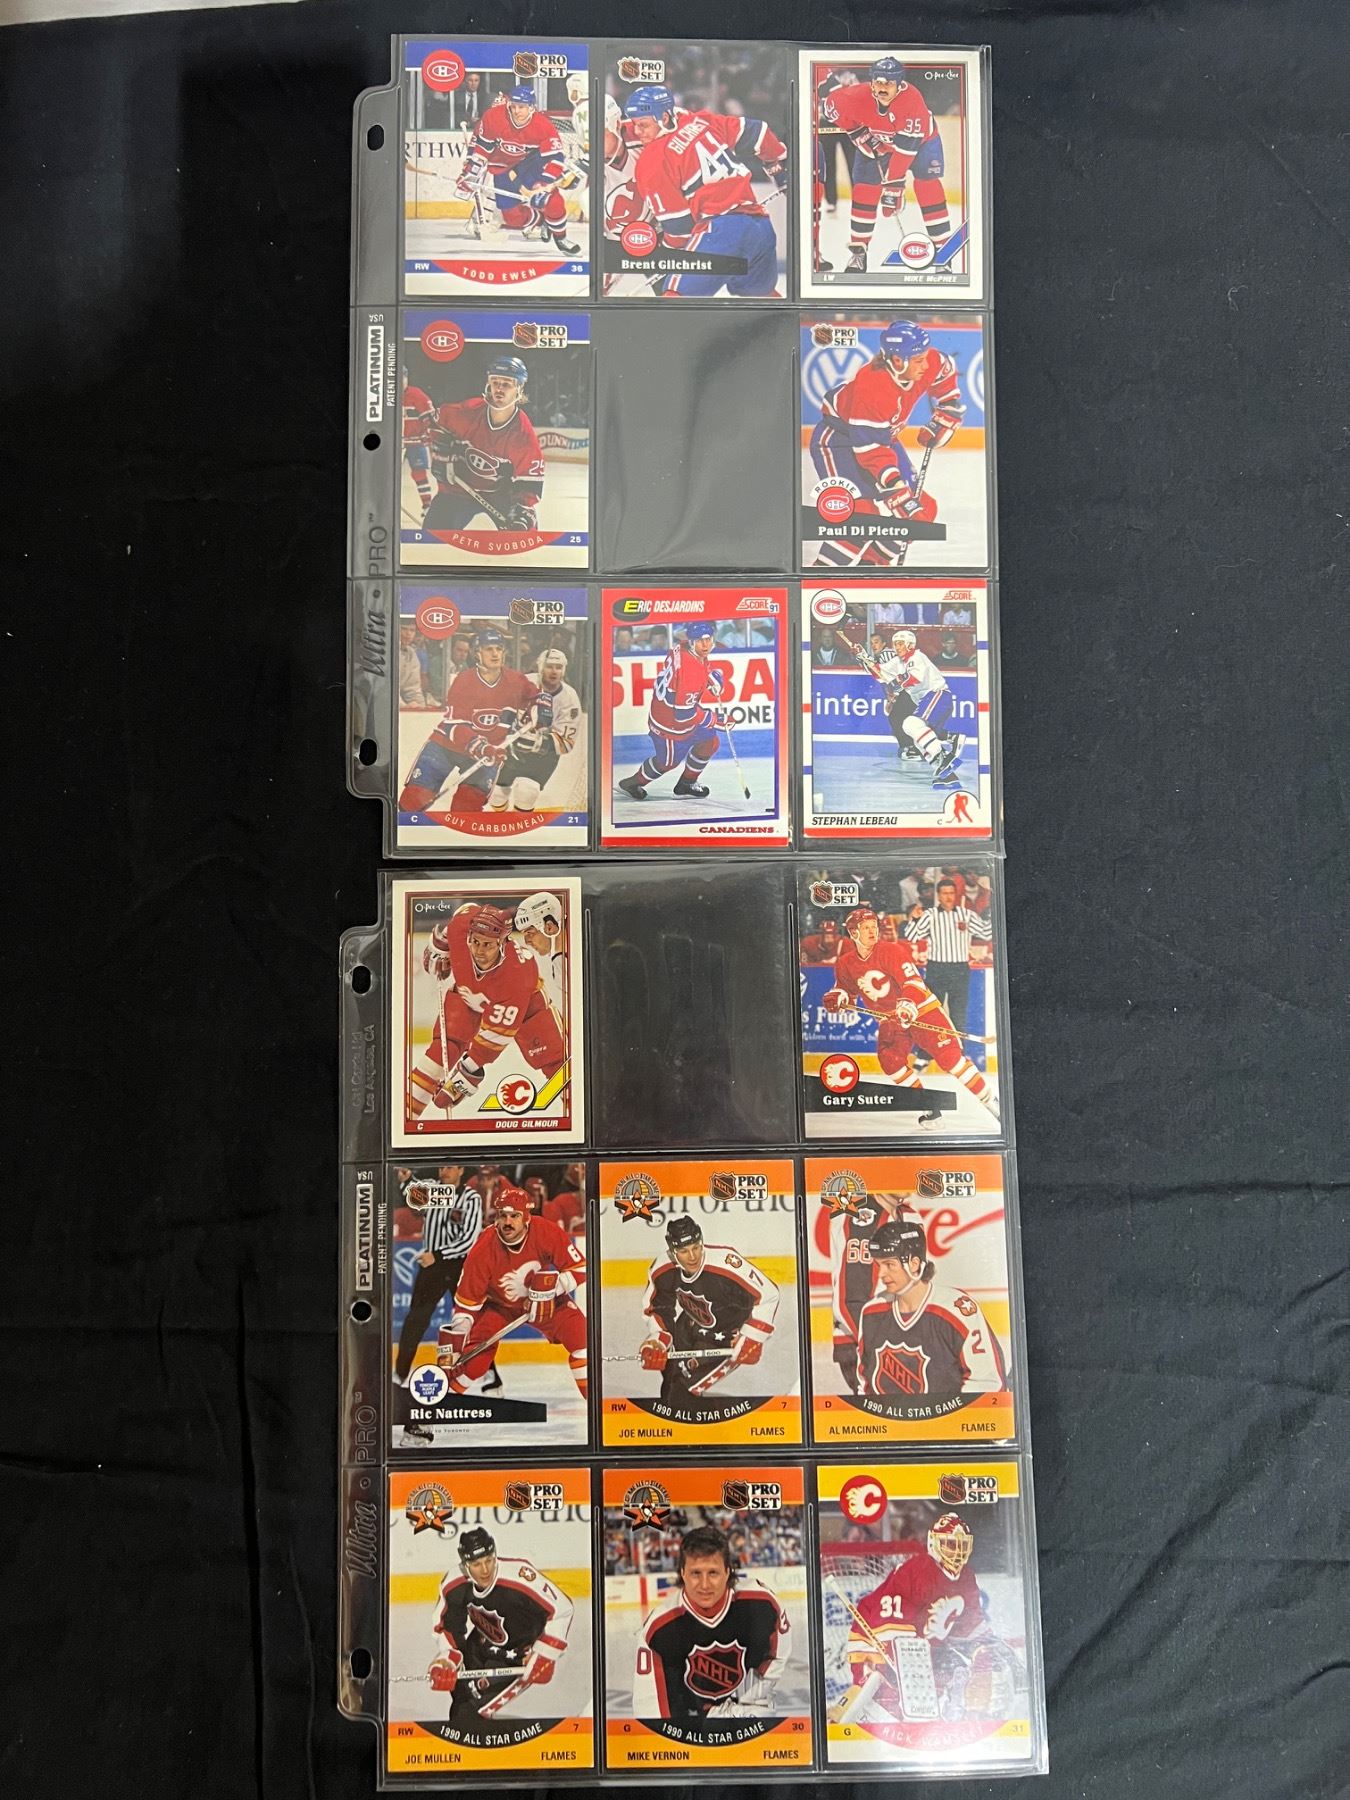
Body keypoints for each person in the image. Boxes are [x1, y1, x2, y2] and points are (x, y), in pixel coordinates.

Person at [810, 319, 966, 571]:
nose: (925, 365)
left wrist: (948, 407)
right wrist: (898, 495)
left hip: (881, 440)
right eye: (918, 361)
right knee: (860, 518)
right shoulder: (873, 387)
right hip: (839, 442)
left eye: (925, 357)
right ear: (897, 361)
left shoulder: (927, 360)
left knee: (923, 510)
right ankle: (822, 575)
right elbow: (872, 453)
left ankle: (870, 567)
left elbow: (944, 369)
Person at [822, 904, 998, 1124]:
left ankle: (992, 1102)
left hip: (922, 1011)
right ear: (853, 932)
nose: (872, 931)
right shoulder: (845, 963)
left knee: (951, 1059)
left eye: (874, 926)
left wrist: (907, 1004)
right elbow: (846, 992)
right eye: (866, 927)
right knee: (890, 1062)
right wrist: (838, 998)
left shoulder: (891, 951)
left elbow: (913, 981)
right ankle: (929, 1107)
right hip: (890, 1020)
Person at [620, 84, 786, 298]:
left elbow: (680, 230)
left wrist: (663, 257)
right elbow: (758, 132)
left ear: (664, 118)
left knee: (673, 298)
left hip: (720, 233)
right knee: (763, 298)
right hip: (760, 229)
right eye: (634, 125)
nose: (637, 131)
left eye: (643, 125)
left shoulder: (652, 162)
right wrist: (776, 163)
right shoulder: (701, 121)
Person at [405, 901, 567, 1121]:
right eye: (475, 942)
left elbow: (495, 1038)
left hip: (527, 1007)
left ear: (502, 943)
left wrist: (462, 1079)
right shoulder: (461, 928)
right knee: (443, 1050)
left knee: (556, 1062)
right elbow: (464, 911)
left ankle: (582, 1115)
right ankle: (406, 1117)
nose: (480, 951)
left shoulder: (518, 974)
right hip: (469, 993)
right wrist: (440, 944)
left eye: (488, 945)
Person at [437, 1186, 588, 1398]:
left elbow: (581, 1268)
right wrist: (458, 1341)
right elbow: (466, 1306)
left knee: (583, 1340)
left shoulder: (546, 1231)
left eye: (514, 1216)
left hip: (545, 1302)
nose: (507, 1222)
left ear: (526, 1218)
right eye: (502, 1215)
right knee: (473, 1365)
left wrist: (552, 1289)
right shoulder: (483, 1249)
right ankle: (440, 1403)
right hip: (498, 1306)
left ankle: (594, 1406)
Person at [634, 1525, 789, 1721]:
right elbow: (650, 1709)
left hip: (742, 1711)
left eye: (713, 1573)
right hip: (690, 1724)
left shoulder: (761, 1604)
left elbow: (778, 1652)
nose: (705, 1585)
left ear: (728, 1571)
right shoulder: (659, 1628)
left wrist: (753, 1696)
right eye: (695, 1573)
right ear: (682, 1573)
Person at [428, 1527, 574, 1733]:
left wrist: (544, 1654)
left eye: (489, 1560)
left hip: (519, 1657)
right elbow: (448, 1627)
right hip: (480, 1644)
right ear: (465, 1565)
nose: (485, 1570)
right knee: (460, 1701)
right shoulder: (454, 1584)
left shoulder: (519, 1577)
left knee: (469, 1715)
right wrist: (447, 1659)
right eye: (476, 1564)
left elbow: (562, 1609)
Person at [818, 56, 952, 274]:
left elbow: (905, 152)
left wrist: (893, 189)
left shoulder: (912, 100)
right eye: (878, 82)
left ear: (899, 85)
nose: (882, 88)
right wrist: (857, 132)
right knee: (864, 191)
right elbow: (830, 109)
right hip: (878, 141)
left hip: (922, 144)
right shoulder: (853, 96)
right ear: (872, 83)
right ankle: (858, 254)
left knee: (928, 187)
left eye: (889, 83)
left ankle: (943, 255)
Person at [854, 1216, 1006, 1406]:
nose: (881, 1274)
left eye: (889, 1265)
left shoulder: (956, 1310)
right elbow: (864, 1384)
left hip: (947, 1422)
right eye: (878, 1265)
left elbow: (987, 1382)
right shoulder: (872, 1312)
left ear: (914, 1263)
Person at [638, 1217, 779, 1410]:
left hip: (727, 1337)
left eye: (696, 1247)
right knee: (670, 1377)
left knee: (682, 1391)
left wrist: (752, 1337)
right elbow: (659, 1308)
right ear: (673, 1251)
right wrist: (657, 1340)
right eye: (684, 1251)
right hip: (689, 1324)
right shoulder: (662, 1269)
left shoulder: (726, 1263)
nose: (693, 1256)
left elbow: (769, 1294)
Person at [399, 628, 541, 817]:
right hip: (445, 748)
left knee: (466, 812)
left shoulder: (516, 680)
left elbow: (537, 698)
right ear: (477, 653)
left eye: (499, 649)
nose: (495, 654)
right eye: (489, 649)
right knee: (413, 801)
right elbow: (454, 727)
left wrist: (542, 708)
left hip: (489, 754)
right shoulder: (464, 680)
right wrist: (482, 747)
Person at [393, 1167, 487, 1447]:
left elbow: (469, 1239)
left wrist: (438, 1254)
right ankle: (400, 1374)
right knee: (416, 1320)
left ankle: (490, 1375)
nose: (445, 1171)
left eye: (450, 1167)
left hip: (458, 1266)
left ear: (461, 1171)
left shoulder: (470, 1197)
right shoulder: (432, 1188)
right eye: (442, 1166)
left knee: (471, 1321)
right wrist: (406, 1180)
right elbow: (414, 1199)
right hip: (432, 1267)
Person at [424, 356, 547, 539]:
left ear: (519, 389)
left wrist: (521, 510)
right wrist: (441, 453)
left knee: (524, 539)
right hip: (458, 490)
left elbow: (529, 484)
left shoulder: (523, 435)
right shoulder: (464, 413)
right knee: (431, 540)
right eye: (495, 382)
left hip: (502, 495)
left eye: (507, 384)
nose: (499, 389)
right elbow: (433, 423)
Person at [455, 84, 580, 255]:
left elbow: (556, 159)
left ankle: (561, 238)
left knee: (552, 201)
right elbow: (482, 149)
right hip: (502, 166)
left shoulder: (543, 126)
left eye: (521, 107)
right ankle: (540, 220)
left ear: (531, 107)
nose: (516, 111)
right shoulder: (494, 117)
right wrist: (470, 174)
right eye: (513, 106)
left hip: (530, 163)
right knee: (512, 217)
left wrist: (544, 185)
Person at [618, 618, 727, 803]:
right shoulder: (691, 672)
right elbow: (684, 714)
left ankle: (686, 783)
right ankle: (632, 783)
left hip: (669, 710)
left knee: (709, 741)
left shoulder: (682, 647)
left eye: (708, 639)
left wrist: (710, 676)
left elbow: (686, 675)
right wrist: (714, 719)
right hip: (669, 724)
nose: (705, 645)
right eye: (700, 640)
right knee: (667, 762)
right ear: (691, 641)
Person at [486, 647, 582, 816]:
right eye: (549, 666)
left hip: (543, 756)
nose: (554, 671)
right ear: (540, 667)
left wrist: (537, 742)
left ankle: (517, 824)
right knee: (497, 794)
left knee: (527, 792)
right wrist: (504, 732)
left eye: (559, 667)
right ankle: (500, 817)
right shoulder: (522, 683)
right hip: (511, 746)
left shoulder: (569, 698)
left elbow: (566, 742)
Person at [904, 877, 991, 1032]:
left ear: (955, 894)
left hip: (960, 969)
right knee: (933, 1011)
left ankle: (959, 1047)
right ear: (939, 896)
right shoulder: (930, 915)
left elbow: (985, 933)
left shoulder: (966, 914)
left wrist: (993, 913)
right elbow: (912, 937)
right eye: (944, 893)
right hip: (937, 968)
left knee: (958, 1013)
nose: (948, 897)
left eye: (951, 893)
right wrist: (914, 919)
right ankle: (931, 1047)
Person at [399, 623, 434, 707]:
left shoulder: (411, 653)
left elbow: (413, 689)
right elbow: (386, 689)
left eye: (412, 630)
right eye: (404, 629)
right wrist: (403, 706)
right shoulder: (385, 651)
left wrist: (421, 708)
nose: (408, 633)